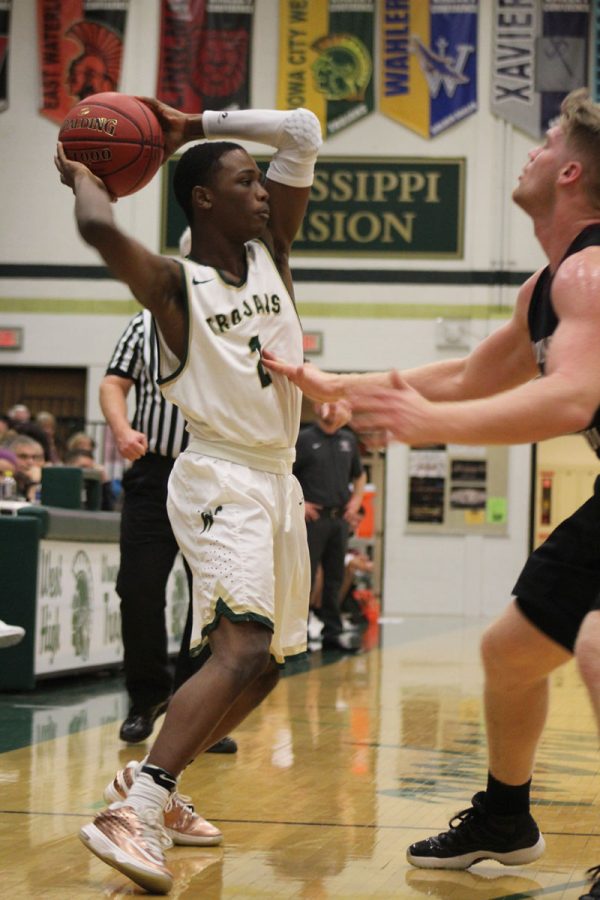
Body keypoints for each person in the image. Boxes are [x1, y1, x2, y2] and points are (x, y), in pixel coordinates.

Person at [262, 87, 600, 900]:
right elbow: (463, 375)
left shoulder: (591, 272)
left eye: (548, 137)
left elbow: (571, 400)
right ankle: (506, 818)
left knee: (593, 643)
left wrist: (424, 423)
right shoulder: (546, 288)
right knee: (511, 654)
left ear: (572, 172)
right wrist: (341, 384)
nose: (533, 147)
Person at [55, 94, 321, 894]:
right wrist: (82, 173)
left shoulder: (273, 248)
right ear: (203, 199)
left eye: (260, 179)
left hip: (279, 476)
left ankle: (152, 780)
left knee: (266, 668)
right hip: (220, 474)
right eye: (245, 180)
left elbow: (303, 129)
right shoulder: (176, 286)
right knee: (237, 647)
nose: (264, 190)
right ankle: (136, 808)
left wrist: (193, 127)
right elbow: (102, 230)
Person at [100, 308, 237, 753]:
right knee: (137, 588)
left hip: (214, 475)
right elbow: (113, 382)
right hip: (153, 473)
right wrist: (122, 429)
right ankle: (146, 697)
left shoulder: (234, 322)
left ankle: (195, 706)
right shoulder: (146, 322)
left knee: (208, 596)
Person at [294, 401, 366, 651]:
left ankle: (332, 633)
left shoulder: (348, 440)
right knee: (306, 577)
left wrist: (356, 502)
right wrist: (299, 503)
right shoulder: (303, 438)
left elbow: (360, 475)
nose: (332, 409)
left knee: (335, 578)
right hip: (313, 520)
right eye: (328, 404)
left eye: (337, 404)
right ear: (317, 407)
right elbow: (286, 474)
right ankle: (297, 635)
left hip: (339, 520)